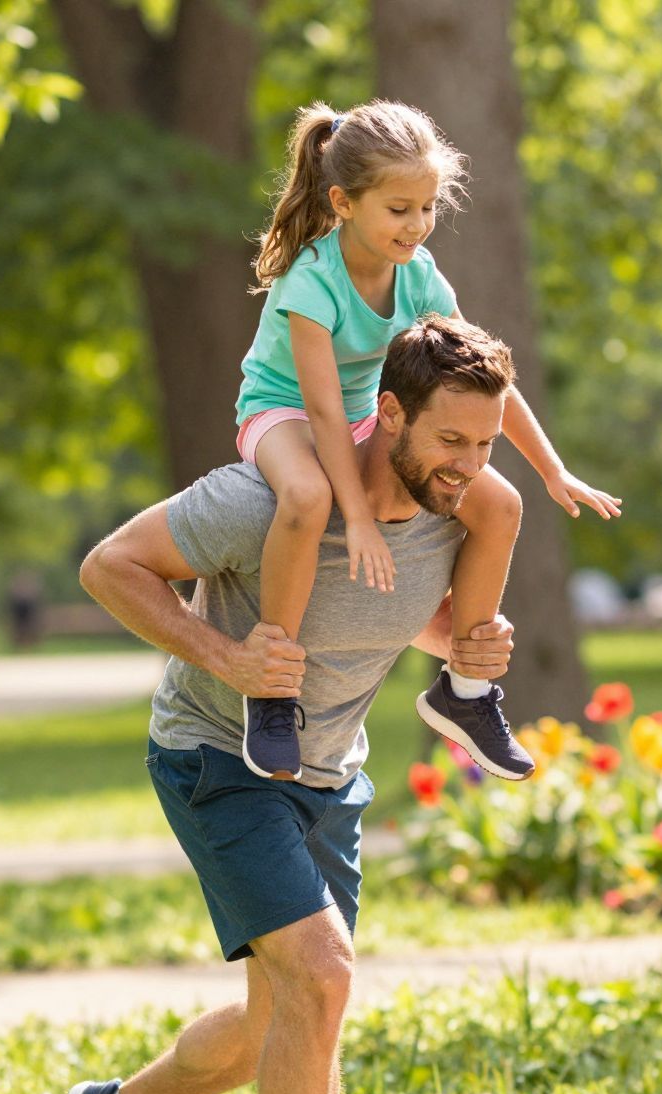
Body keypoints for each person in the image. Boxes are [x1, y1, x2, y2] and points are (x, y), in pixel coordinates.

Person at [64, 314, 520, 1094]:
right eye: (450, 441)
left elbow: (394, 613)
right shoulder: (269, 496)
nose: (467, 465)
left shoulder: (459, 510)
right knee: (320, 979)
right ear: (388, 413)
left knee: (285, 1016)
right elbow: (111, 566)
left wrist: (464, 648)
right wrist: (225, 657)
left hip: (328, 771)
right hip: (217, 758)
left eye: (485, 445)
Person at [235, 98, 621, 782]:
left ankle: (465, 694)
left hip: (365, 412)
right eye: (399, 208)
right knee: (304, 493)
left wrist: (552, 471)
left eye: (427, 207)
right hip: (283, 411)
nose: (416, 225)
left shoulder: (418, 274)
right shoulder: (312, 281)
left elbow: (484, 382)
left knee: (499, 506)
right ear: (344, 202)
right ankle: (271, 690)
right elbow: (320, 415)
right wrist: (355, 517)